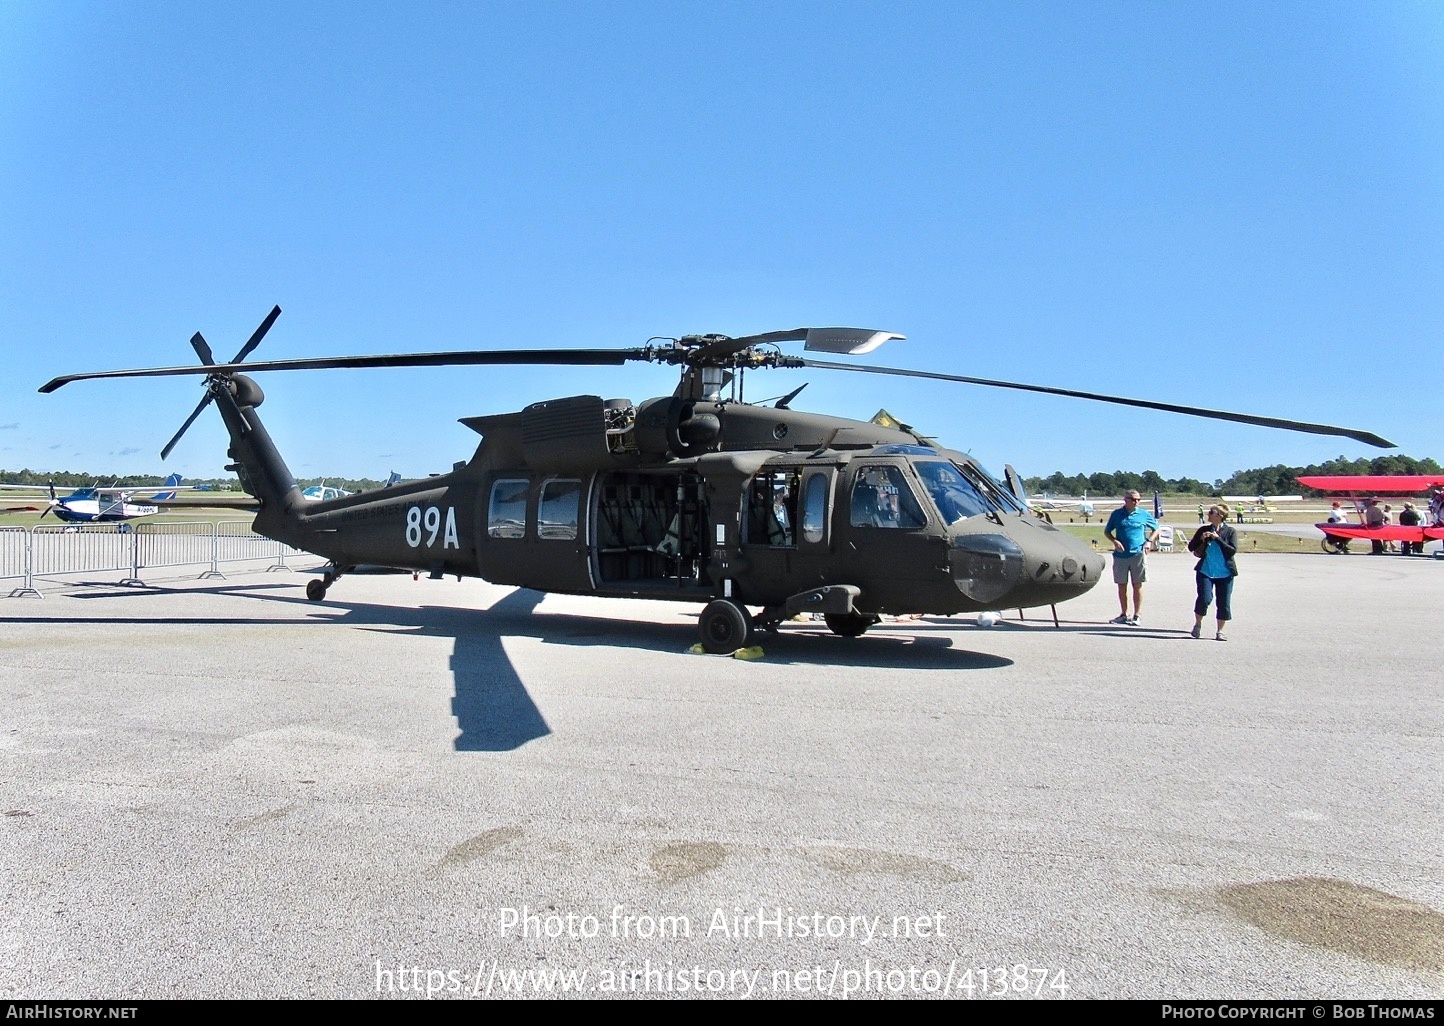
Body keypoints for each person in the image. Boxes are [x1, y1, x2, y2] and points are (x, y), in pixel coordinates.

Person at [1103, 489, 1159, 625]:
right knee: (1122, 585)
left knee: (1137, 584)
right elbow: (1107, 531)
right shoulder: (1117, 514)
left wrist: (1149, 541)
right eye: (1133, 499)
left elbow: (1156, 529)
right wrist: (1114, 541)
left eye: (1138, 500)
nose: (1136, 502)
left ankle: (1137, 615)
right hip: (1121, 555)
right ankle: (1124, 614)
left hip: (1138, 553)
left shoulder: (1143, 514)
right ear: (1126, 499)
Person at [1188, 504, 1238, 641]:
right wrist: (1201, 540)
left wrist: (1218, 538)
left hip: (1225, 573)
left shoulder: (1230, 531)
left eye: (1211, 512)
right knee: (1204, 598)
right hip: (1206, 571)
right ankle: (1197, 625)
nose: (1208, 514)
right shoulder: (1203, 529)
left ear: (1220, 516)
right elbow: (1191, 547)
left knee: (1223, 602)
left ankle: (1220, 631)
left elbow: (1232, 550)